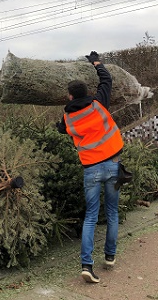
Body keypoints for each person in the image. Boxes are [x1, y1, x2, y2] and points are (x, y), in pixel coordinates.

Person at [56, 51, 124, 283]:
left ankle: (87, 265)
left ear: (69, 96)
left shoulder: (68, 118)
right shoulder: (98, 103)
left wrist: (66, 109)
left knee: (91, 217)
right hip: (113, 165)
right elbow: (107, 81)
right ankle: (110, 257)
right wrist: (96, 62)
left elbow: (60, 128)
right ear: (88, 93)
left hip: (91, 170)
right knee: (113, 212)